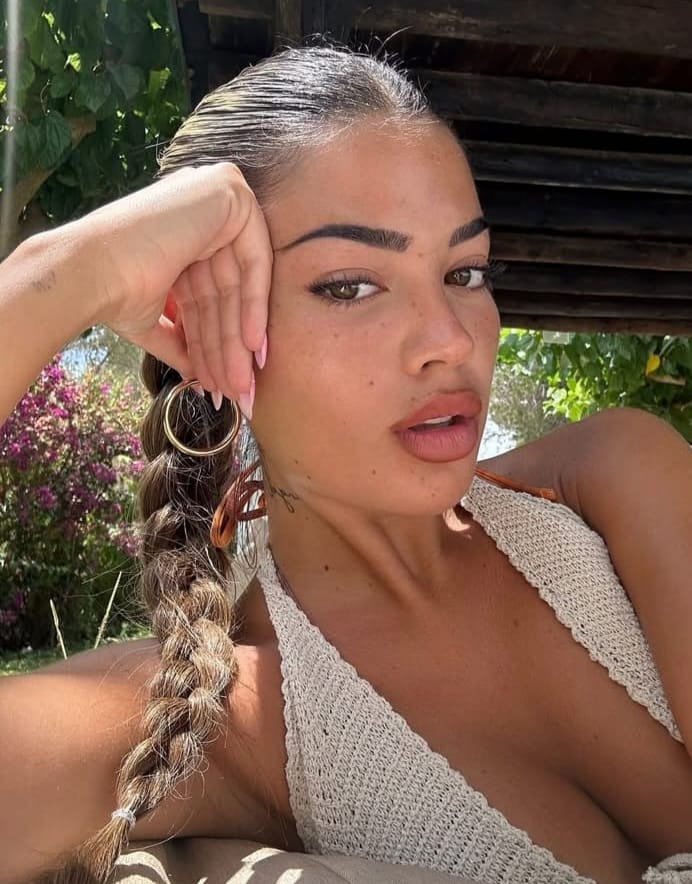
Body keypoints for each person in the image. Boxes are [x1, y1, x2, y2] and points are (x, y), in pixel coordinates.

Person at [0, 44, 691, 884]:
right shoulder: (232, 718)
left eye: (465, 271)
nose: (450, 340)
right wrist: (62, 272)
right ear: (201, 319)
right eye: (349, 286)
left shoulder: (607, 478)